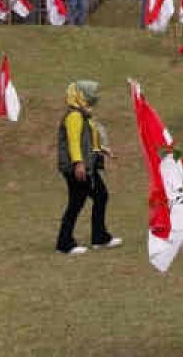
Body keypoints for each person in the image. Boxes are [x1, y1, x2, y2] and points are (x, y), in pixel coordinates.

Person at [56, 81, 121, 255]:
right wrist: (78, 163)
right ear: (81, 95)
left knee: (101, 195)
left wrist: (103, 151)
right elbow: (74, 142)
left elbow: (88, 141)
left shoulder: (84, 115)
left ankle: (100, 237)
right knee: (76, 202)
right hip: (77, 168)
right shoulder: (74, 116)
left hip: (87, 167)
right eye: (90, 93)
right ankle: (65, 243)